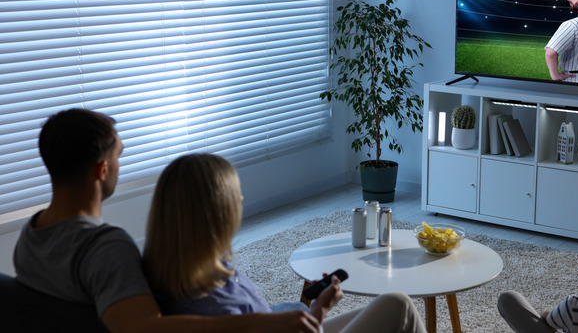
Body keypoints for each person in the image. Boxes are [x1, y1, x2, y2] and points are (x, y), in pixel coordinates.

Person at [12, 108, 345, 333]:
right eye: (118, 156)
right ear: (102, 169)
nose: (119, 165)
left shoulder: (32, 234)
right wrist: (260, 322)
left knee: (292, 308)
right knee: (378, 312)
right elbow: (145, 328)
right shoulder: (106, 248)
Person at [143, 152, 426, 333]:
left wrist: (311, 313)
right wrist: (318, 312)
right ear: (216, 214)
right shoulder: (213, 306)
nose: (241, 199)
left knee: (393, 306)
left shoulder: (185, 273)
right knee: (397, 304)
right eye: (235, 195)